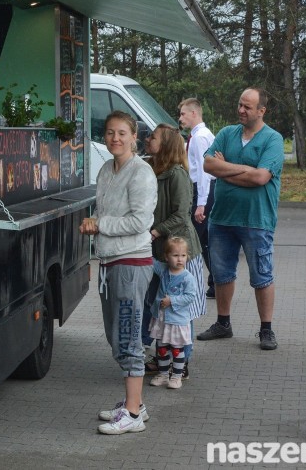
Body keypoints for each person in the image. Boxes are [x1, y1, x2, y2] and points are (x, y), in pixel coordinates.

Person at [80, 110, 157, 435]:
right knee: (115, 336)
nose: (115, 138)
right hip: (109, 262)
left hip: (131, 263)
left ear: (134, 136)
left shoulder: (141, 173)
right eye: (110, 132)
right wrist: (93, 222)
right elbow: (104, 210)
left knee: (127, 336)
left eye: (122, 133)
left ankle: (133, 415)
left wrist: (101, 225)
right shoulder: (106, 169)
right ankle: (134, 403)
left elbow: (142, 222)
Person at [197, 87, 284, 350]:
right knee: (222, 274)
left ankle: (266, 329)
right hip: (221, 218)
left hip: (257, 220)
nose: (241, 110)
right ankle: (223, 323)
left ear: (261, 111)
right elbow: (209, 165)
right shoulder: (226, 133)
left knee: (262, 275)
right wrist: (245, 169)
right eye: (240, 104)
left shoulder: (273, 139)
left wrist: (227, 170)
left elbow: (261, 178)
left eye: (247, 106)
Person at [142, 124, 205, 378]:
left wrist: (155, 231)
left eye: (153, 137)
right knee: (159, 306)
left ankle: (183, 361)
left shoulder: (177, 173)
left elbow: (181, 214)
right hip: (161, 252)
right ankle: (163, 358)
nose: (148, 140)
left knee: (181, 309)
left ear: (166, 143)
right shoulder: (153, 169)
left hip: (180, 251)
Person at [178, 98, 216, 298]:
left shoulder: (200, 137)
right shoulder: (199, 135)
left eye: (183, 114)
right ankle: (216, 282)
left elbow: (204, 172)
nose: (180, 118)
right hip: (203, 190)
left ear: (194, 113)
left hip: (202, 191)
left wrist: (201, 203)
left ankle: (209, 282)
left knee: (194, 239)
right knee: (205, 240)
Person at [148, 237, 197, 390]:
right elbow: (151, 262)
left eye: (183, 255)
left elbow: (190, 296)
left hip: (177, 319)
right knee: (161, 347)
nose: (179, 259)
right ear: (166, 257)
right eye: (175, 255)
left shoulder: (187, 277)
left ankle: (176, 376)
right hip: (162, 318)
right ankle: (163, 374)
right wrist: (143, 243)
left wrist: (173, 301)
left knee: (177, 349)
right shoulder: (163, 269)